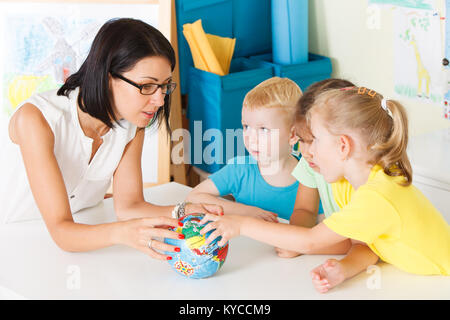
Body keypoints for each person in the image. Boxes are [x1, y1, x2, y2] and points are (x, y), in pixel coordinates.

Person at [0, 18, 222, 260]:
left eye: (164, 87)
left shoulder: (131, 123)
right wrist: (124, 233)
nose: (159, 101)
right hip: (14, 241)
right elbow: (62, 232)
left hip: (78, 238)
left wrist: (183, 211)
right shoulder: (36, 120)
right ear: (106, 77)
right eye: (147, 86)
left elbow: (129, 207)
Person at [198, 86, 450, 292]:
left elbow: (310, 241)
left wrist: (240, 225)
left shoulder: (377, 197)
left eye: (314, 140)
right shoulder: (356, 183)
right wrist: (343, 269)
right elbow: (366, 244)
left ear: (342, 146)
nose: (308, 151)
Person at [187, 77, 307, 224]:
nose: (251, 138)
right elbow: (194, 196)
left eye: (263, 129)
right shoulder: (239, 169)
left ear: (293, 135)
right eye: (246, 127)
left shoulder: (313, 175)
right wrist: (245, 211)